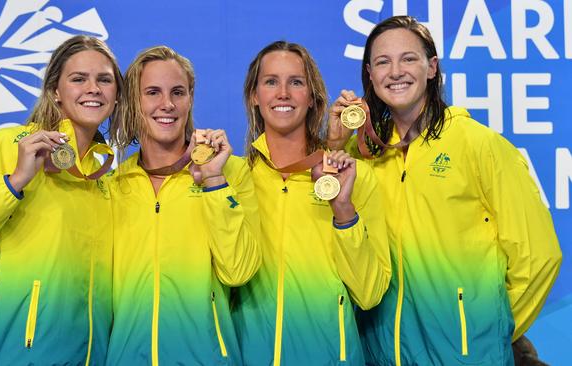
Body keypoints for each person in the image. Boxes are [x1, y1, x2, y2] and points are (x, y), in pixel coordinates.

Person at [327, 15, 563, 365]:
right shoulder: (365, 155)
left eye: (409, 58)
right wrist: (333, 142)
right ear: (370, 74)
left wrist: (486, 331)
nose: (395, 71)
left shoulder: (479, 145)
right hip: (383, 353)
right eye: (383, 62)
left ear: (432, 67)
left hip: (466, 354)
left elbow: (539, 255)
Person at [0, 35, 122, 365]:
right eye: (78, 79)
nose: (94, 88)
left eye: (104, 79)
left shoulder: (109, 179)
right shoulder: (12, 145)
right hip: (15, 355)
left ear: (116, 96)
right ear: (55, 91)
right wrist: (14, 182)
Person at [232, 41, 391, 365]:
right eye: (271, 81)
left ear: (313, 97)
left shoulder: (354, 177)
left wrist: (343, 211)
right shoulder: (233, 177)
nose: (283, 93)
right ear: (254, 96)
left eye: (296, 82)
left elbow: (370, 292)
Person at [105, 45, 262, 365]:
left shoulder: (232, 171)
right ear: (134, 101)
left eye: (178, 92)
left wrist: (214, 181)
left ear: (190, 99)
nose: (167, 104)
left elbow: (239, 271)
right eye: (152, 92)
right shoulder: (112, 187)